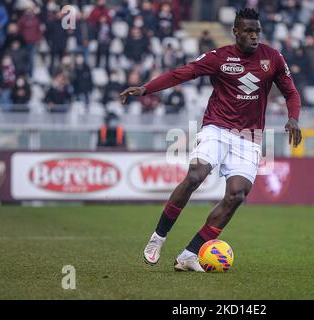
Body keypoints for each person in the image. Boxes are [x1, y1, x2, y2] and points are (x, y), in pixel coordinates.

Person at [119, 8, 302, 272]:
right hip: (217, 128)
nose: (254, 36)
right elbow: (183, 73)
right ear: (235, 32)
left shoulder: (272, 58)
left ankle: (189, 254)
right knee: (196, 175)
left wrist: (293, 117)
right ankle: (157, 238)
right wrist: (146, 88)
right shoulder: (219, 57)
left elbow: (291, 92)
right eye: (248, 31)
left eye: (257, 32)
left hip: (249, 137)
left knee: (237, 195)